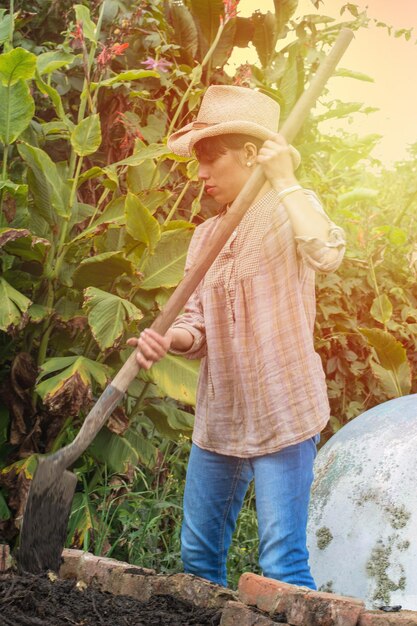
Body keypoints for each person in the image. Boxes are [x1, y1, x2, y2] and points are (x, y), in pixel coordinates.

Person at [127, 85, 345, 589]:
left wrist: (286, 178)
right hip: (221, 411)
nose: (200, 174)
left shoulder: (290, 209)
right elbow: (197, 325)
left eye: (210, 158)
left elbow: (326, 253)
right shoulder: (205, 237)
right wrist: (171, 341)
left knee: (281, 565)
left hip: (282, 409)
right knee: (198, 556)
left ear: (251, 154)